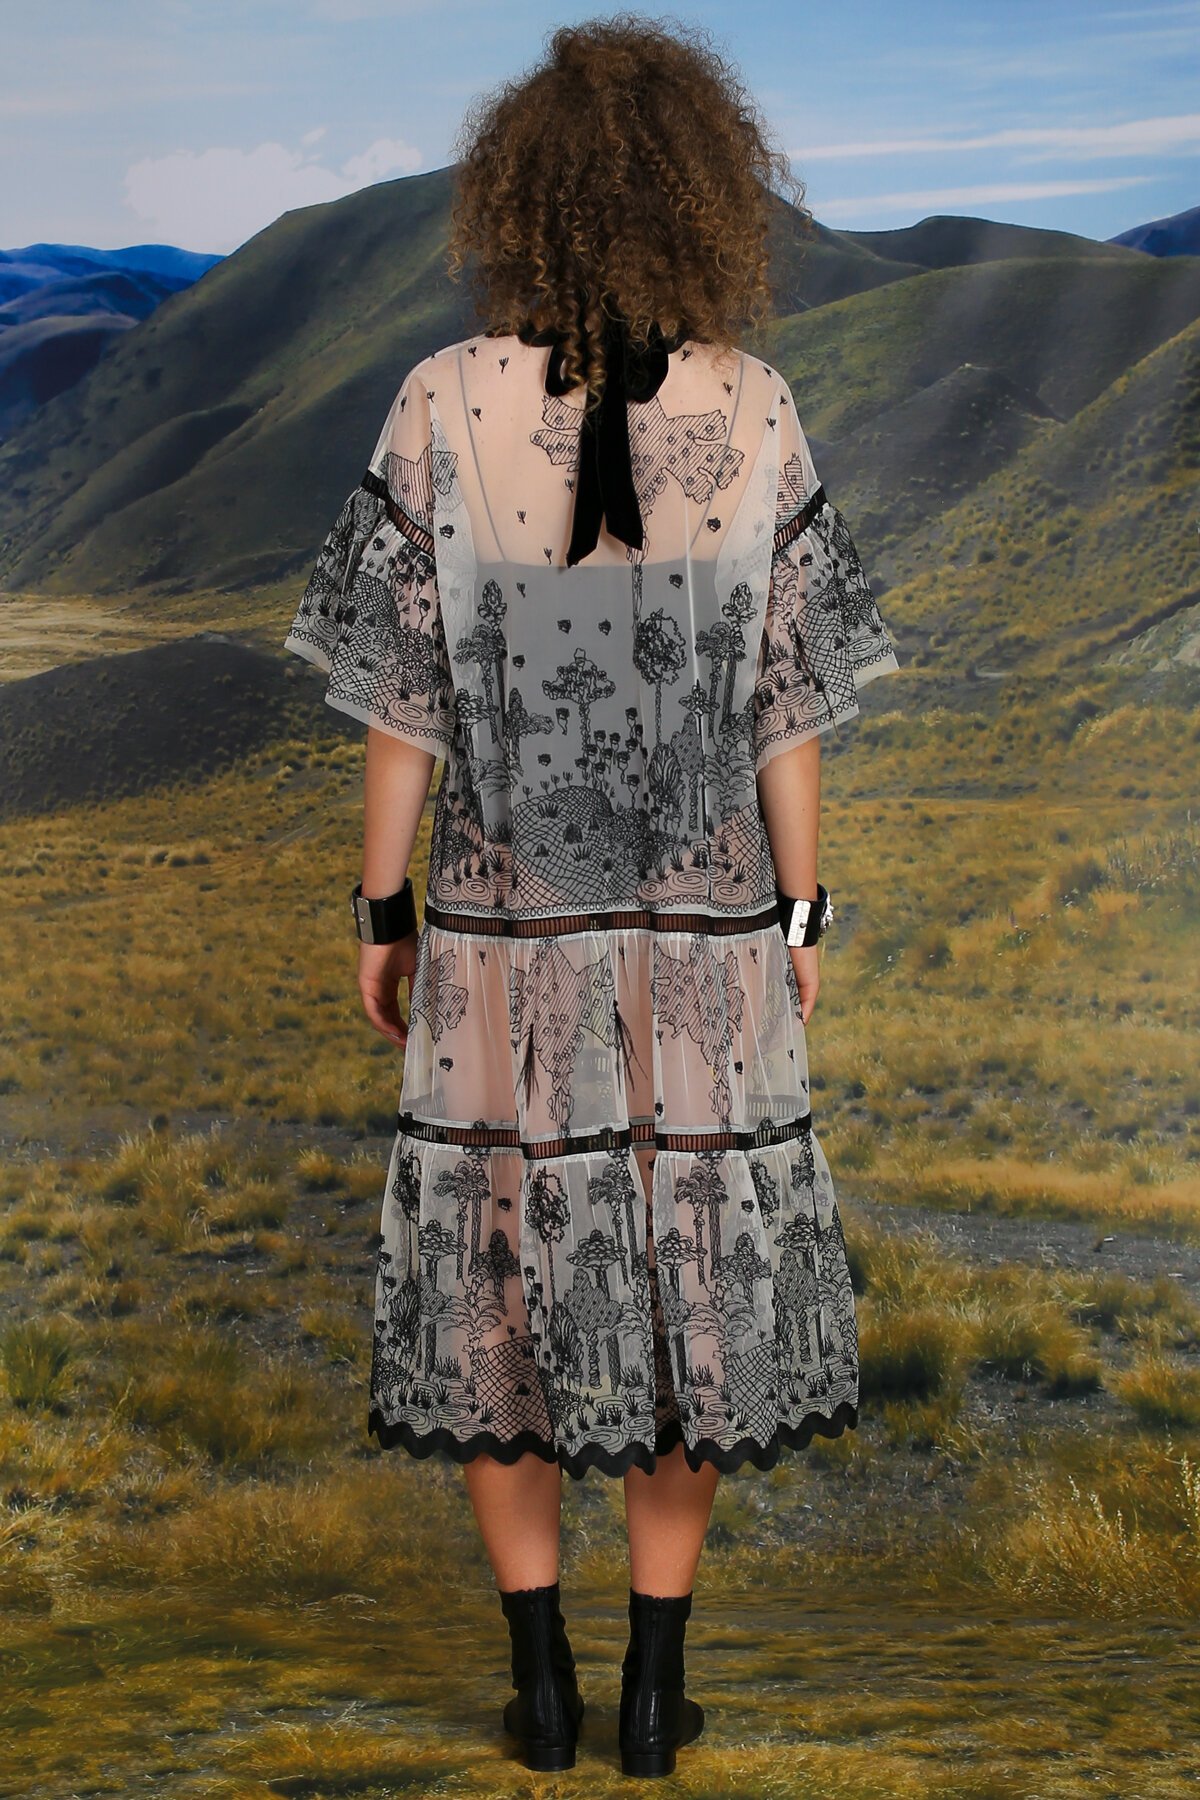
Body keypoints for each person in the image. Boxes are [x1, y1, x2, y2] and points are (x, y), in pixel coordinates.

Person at [283, 13, 902, 1779]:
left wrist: (381, 915)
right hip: (708, 947)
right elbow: (789, 710)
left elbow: (404, 704)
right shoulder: (756, 404)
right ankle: (652, 1692)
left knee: (501, 1295)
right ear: (706, 192)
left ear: (522, 194)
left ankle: (540, 1685)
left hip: (499, 945)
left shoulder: (441, 400)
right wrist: (804, 923)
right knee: (694, 1289)